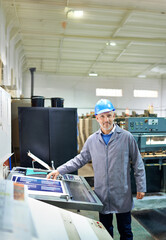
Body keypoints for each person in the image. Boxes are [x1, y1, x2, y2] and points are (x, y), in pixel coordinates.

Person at [47, 99, 146, 240]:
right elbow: (80, 159)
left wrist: (141, 187)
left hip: (122, 193)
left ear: (114, 116)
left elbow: (138, 163)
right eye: (103, 116)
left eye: (109, 115)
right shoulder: (92, 140)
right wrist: (60, 170)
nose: (106, 120)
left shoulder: (126, 138)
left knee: (125, 230)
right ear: (97, 118)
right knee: (105, 232)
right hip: (102, 195)